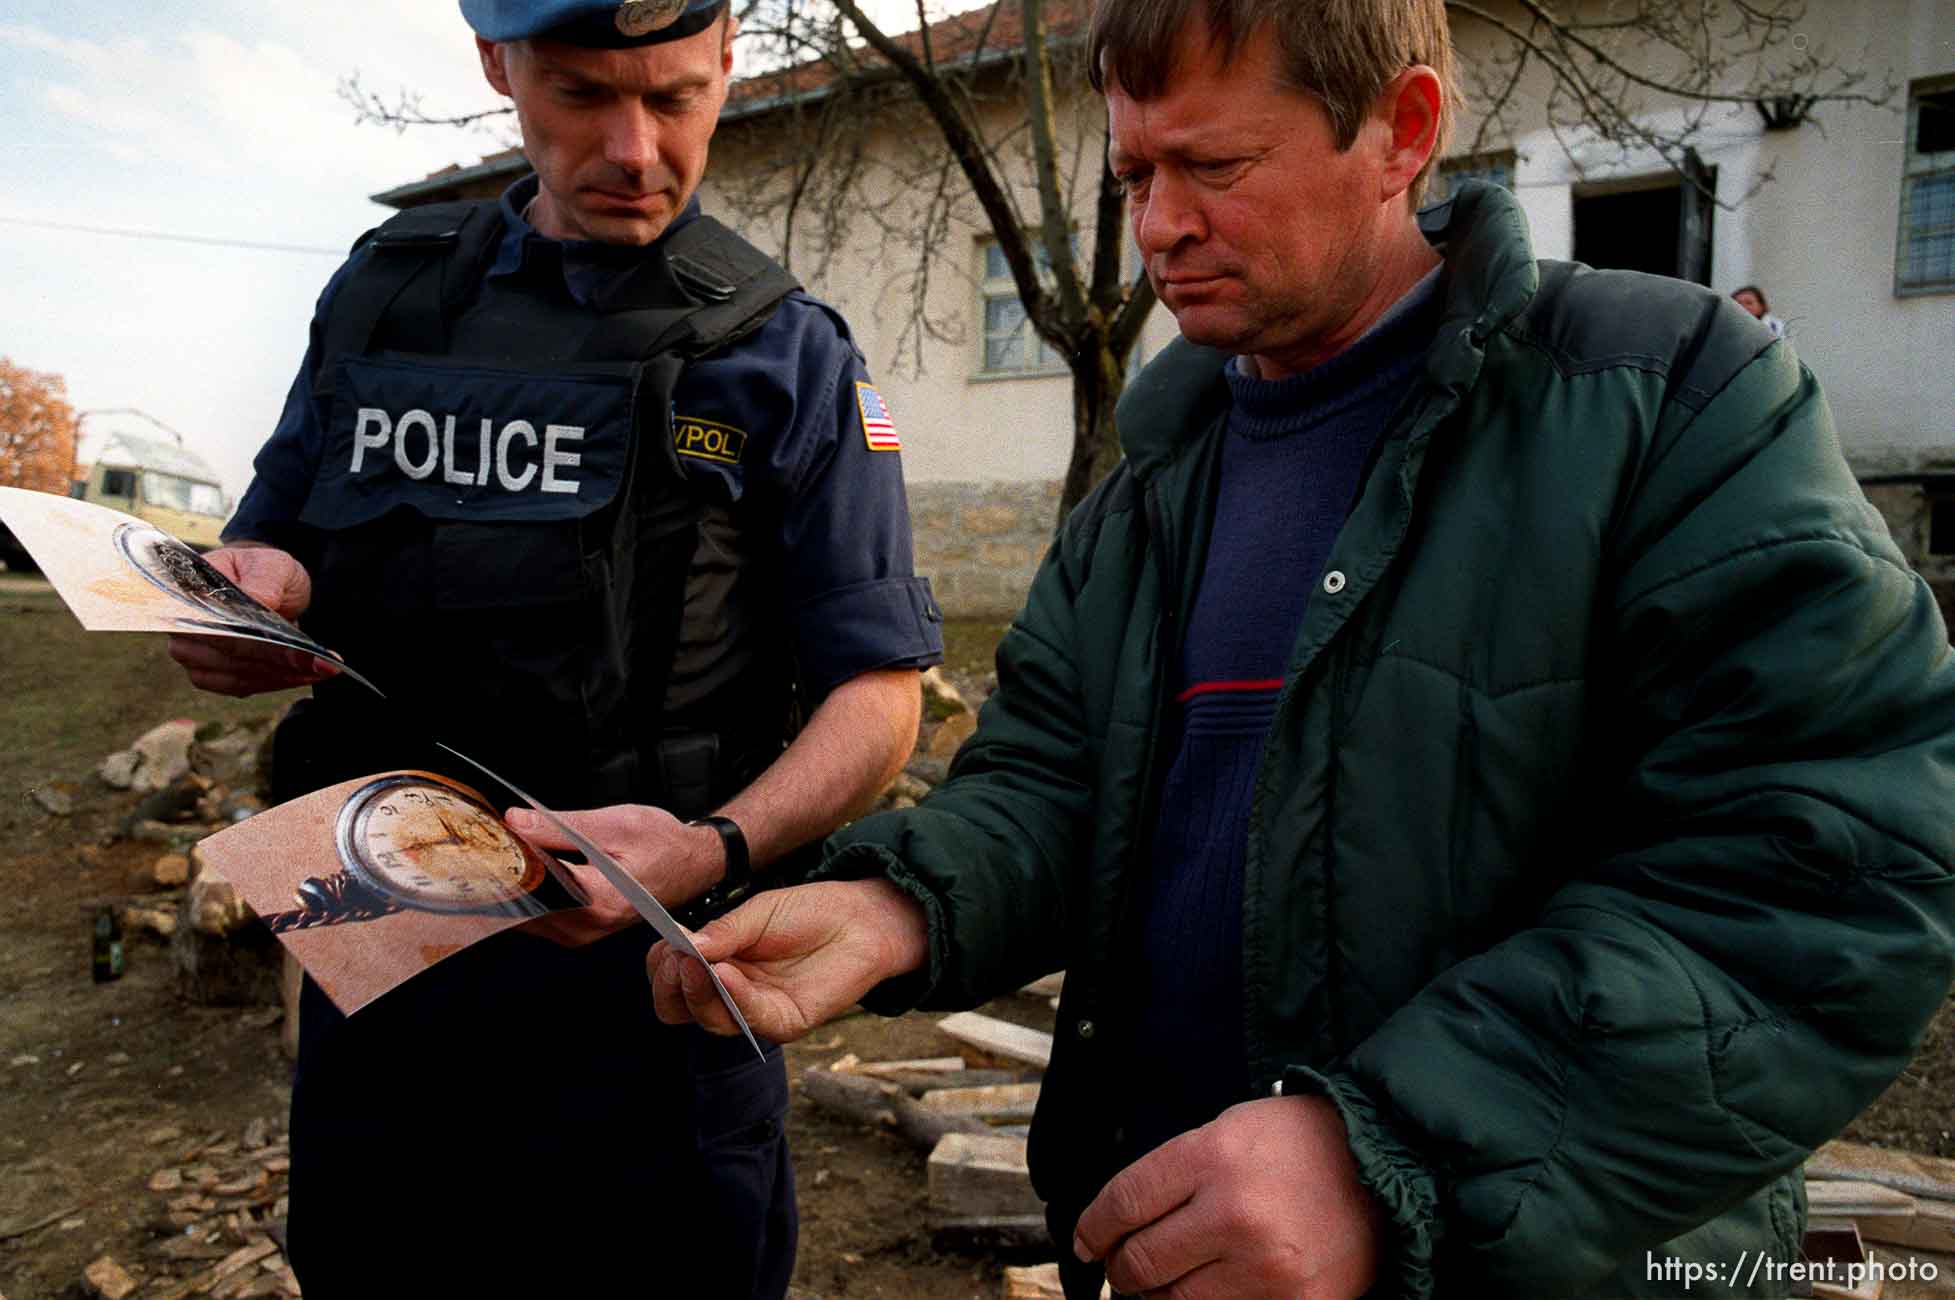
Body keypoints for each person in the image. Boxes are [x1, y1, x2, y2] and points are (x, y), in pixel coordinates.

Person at [633, 1, 1955, 1297]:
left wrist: (1390, 1153)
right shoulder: (1152, 485)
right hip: (1172, 1244)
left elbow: (1824, 880)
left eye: (1214, 166)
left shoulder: (1668, 405)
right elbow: (1049, 784)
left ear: (1401, 131)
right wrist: (899, 905)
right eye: (1137, 172)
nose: (1158, 226)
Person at [166, 1, 942, 1295]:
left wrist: (708, 848)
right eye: (585, 95)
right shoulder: (387, 292)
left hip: (647, 988)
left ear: (727, 65)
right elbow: (277, 538)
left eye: (680, 95)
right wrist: (251, 597)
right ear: (497, 66)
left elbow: (881, 699)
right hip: (372, 940)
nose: (638, 147)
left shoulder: (784, 351)